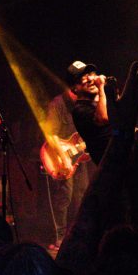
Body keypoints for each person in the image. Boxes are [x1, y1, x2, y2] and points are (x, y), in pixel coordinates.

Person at [42, 62, 96, 250]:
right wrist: (64, 157)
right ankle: (59, 238)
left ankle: (78, 236)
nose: (90, 79)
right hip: (60, 156)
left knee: (82, 195)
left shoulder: (90, 104)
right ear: (75, 84)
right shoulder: (58, 104)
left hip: (79, 157)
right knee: (64, 197)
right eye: (85, 76)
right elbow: (50, 134)